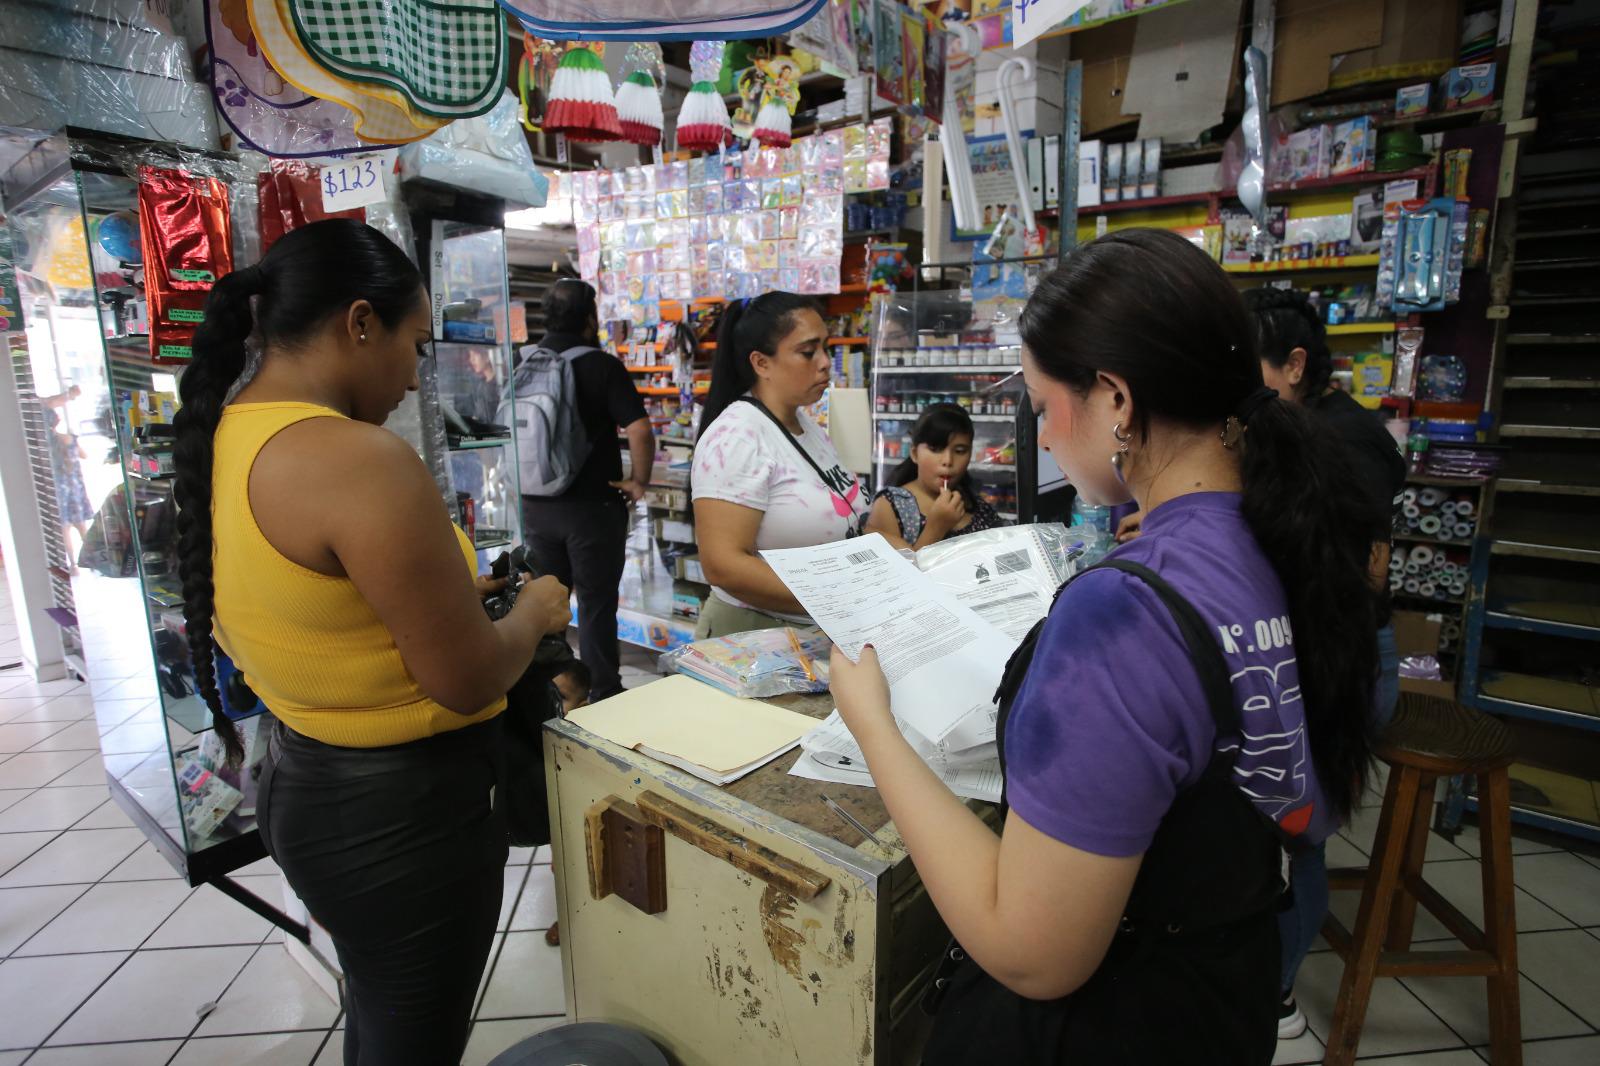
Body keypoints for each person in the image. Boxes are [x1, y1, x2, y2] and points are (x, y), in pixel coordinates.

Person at [829, 229, 1379, 1064]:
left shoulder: (1121, 613)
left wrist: (872, 726)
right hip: (1224, 993)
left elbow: (1032, 952)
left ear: (1117, 399)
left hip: (1117, 1021)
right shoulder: (1289, 533)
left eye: (1043, 405)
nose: (1043, 436)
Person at [171, 219, 571, 1066]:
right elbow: (468, 679)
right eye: (414, 346)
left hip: (306, 782)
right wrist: (534, 611)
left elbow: (312, 603)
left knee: (385, 1012)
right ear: (360, 323)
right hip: (403, 820)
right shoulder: (359, 459)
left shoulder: (224, 434)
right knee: (412, 1036)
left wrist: (454, 599)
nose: (415, 377)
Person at [1244, 285, 1406, 1039]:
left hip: (1345, 659)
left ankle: (1276, 998)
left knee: (1297, 833)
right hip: (1311, 647)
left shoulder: (1350, 442)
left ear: (1296, 364)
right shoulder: (1293, 426)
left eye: (1252, 370)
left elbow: (1362, 575)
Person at [691, 292, 866, 637]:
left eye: (826, 347)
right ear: (761, 363)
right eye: (808, 352)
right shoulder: (736, 438)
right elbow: (723, 565)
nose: (825, 362)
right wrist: (837, 596)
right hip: (754, 636)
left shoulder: (806, 427)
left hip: (811, 631)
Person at [520, 279, 654, 702]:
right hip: (592, 509)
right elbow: (639, 429)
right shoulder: (601, 365)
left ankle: (553, 690)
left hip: (535, 505)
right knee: (596, 605)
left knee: (547, 603)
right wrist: (638, 481)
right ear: (590, 318)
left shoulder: (523, 361)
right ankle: (602, 692)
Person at [862, 402, 1004, 550]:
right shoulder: (890, 506)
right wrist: (936, 528)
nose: (948, 461)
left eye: (960, 451)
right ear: (915, 453)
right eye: (936, 449)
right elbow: (896, 565)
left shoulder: (977, 505)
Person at [42, 386, 93, 571]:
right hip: (75, 489)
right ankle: (92, 559)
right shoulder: (70, 439)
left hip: (58, 491)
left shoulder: (46, 444)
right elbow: (85, 455)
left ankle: (72, 565)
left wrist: (68, 396)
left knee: (64, 530)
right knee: (82, 527)